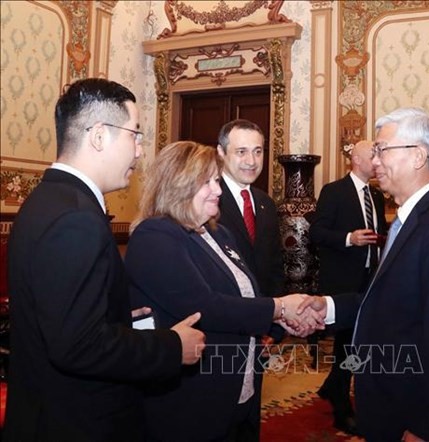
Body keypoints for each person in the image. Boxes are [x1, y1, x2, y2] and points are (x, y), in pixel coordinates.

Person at [5, 78, 206, 441]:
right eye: (136, 135)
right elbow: (78, 345)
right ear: (99, 136)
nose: (140, 152)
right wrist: (172, 346)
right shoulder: (76, 219)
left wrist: (117, 316)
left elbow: (58, 312)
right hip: (77, 421)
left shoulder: (47, 201)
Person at [300, 108, 429, 441]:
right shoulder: (409, 219)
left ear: (417, 156)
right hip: (386, 395)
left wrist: (422, 426)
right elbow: (384, 301)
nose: (375, 161)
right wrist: (325, 307)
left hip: (410, 409)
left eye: (382, 150)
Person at [124, 141, 323, 442]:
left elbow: (244, 297)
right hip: (193, 397)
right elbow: (205, 307)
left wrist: (281, 321)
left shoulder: (218, 232)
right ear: (178, 184)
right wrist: (279, 308)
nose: (218, 190)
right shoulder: (155, 235)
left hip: (240, 384)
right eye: (207, 182)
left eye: (216, 180)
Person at [309, 139, 388, 435]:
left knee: (359, 342)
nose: (378, 162)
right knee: (346, 344)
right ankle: (341, 407)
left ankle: (333, 385)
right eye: (373, 155)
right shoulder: (334, 191)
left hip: (371, 279)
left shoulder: (377, 197)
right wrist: (348, 238)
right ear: (355, 158)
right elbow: (317, 233)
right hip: (342, 281)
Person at [216, 119, 285, 298]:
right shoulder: (208, 200)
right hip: (226, 311)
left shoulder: (266, 203)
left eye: (258, 151)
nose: (252, 161)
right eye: (241, 152)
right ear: (221, 152)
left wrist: (278, 310)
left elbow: (275, 265)